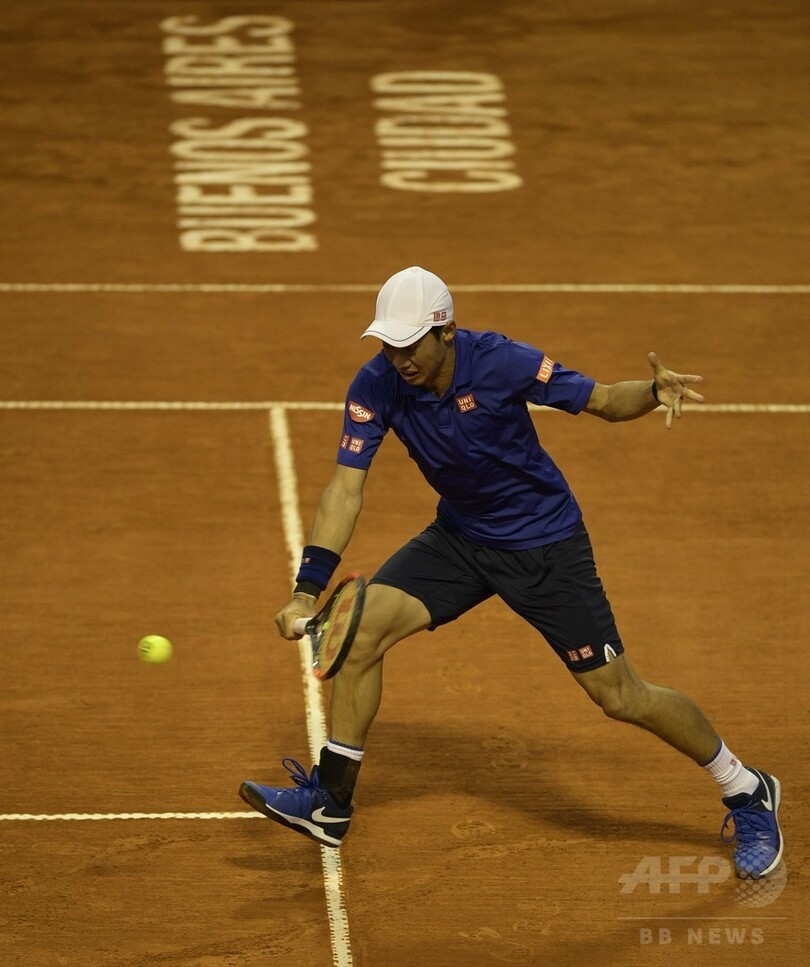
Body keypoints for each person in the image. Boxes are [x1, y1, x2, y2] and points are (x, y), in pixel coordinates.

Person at [239, 266, 783, 880]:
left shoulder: (502, 362)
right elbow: (345, 489)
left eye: (410, 344)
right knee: (362, 633)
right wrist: (306, 589)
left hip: (545, 547)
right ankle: (330, 802)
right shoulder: (377, 384)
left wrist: (652, 392)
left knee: (621, 697)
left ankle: (746, 788)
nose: (399, 359)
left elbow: (603, 400)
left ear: (446, 331)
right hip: (460, 539)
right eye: (389, 345)